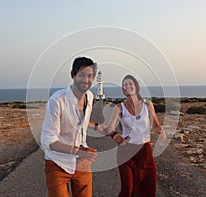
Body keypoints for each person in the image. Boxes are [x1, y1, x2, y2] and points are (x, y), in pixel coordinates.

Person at [41, 57, 106, 197]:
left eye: (90, 76)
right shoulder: (57, 101)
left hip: (82, 164)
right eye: (81, 75)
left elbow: (81, 122)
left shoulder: (89, 96)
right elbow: (48, 141)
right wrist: (78, 151)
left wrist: (97, 127)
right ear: (73, 75)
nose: (86, 80)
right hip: (58, 163)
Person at [106, 75, 166, 197]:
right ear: (123, 89)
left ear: (136, 86)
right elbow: (109, 128)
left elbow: (155, 124)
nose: (128, 86)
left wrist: (161, 131)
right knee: (128, 190)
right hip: (126, 151)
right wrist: (114, 134)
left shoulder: (147, 104)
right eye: (125, 85)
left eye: (130, 83)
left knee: (148, 187)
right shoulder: (119, 108)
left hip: (144, 151)